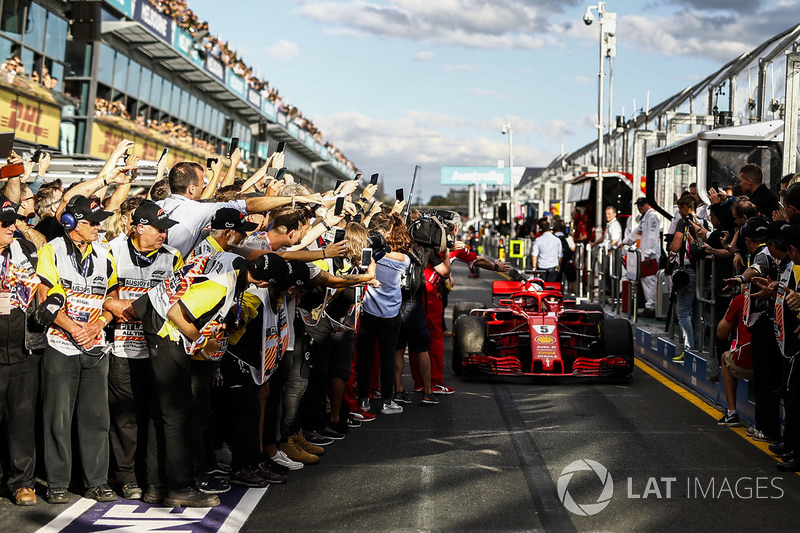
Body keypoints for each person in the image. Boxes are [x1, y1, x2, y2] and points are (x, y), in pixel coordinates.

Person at [36, 196, 119, 504]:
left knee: (97, 418)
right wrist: (75, 328)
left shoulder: (104, 252)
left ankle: (96, 481)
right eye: (93, 222)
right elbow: (44, 301)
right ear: (72, 223)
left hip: (96, 347)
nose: (99, 227)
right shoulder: (51, 251)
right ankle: (58, 482)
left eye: (100, 221)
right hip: (61, 345)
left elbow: (112, 297)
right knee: (57, 418)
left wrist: (100, 323)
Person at [106, 201, 182, 501]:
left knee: (153, 415)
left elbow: (178, 298)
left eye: (166, 230)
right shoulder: (112, 250)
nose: (164, 235)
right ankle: (126, 476)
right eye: (159, 229)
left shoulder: (173, 257)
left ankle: (151, 476)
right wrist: (113, 304)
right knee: (124, 416)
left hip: (157, 348)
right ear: (139, 227)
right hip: (121, 345)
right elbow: (102, 291)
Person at [0, 197, 41, 506]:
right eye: (5, 223)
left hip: (23, 348)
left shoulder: (23, 249)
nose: (11, 226)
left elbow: (46, 247)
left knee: (22, 419)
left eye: (12, 220)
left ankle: (23, 481)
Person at [669, 195, 704, 361]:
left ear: (684, 207)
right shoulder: (704, 221)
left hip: (687, 271)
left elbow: (675, 246)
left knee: (683, 312)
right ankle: (698, 347)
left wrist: (670, 248)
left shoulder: (684, 222)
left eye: (679, 208)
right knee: (697, 314)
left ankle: (689, 349)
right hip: (702, 271)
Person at [715, 294, 752, 427]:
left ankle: (731, 412)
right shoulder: (777, 296)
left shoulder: (741, 299)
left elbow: (721, 333)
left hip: (749, 361)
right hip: (774, 363)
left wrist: (730, 308)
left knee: (725, 357)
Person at [623, 197, 661, 318]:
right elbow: (636, 233)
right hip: (645, 254)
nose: (639, 207)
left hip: (650, 255)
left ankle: (651, 307)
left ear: (647, 205)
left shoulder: (652, 217)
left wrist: (649, 254)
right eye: (638, 205)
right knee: (646, 280)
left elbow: (652, 236)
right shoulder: (644, 218)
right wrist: (625, 242)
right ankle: (650, 306)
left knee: (649, 280)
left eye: (641, 205)